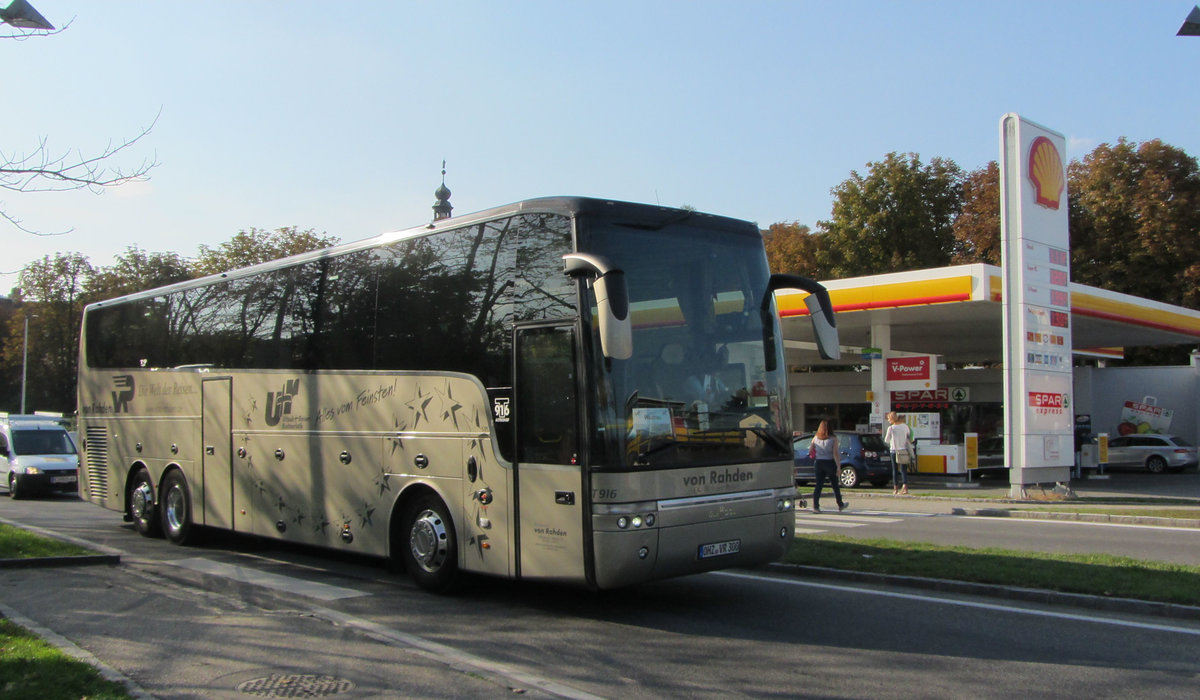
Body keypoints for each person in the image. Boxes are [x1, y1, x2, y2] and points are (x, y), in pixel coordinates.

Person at [810, 420, 847, 513]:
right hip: (830, 462)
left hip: (819, 462)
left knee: (819, 485)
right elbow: (835, 453)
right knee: (835, 484)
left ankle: (816, 506)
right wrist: (838, 466)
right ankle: (840, 504)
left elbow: (810, 450)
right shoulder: (833, 438)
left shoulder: (815, 438)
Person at [884, 411, 912, 495]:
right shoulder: (905, 426)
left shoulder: (891, 428)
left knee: (895, 470)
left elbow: (886, 440)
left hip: (894, 450)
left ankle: (895, 488)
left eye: (889, 419)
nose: (888, 420)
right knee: (903, 469)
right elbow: (909, 436)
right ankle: (905, 487)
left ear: (892, 419)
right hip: (903, 450)